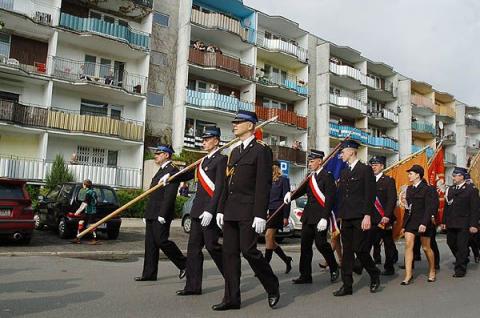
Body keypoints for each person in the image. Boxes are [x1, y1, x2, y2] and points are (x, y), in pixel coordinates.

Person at [212, 110, 280, 311]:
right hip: (231, 209)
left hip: (249, 210)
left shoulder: (261, 150)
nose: (234, 125)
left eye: (238, 122)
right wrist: (221, 209)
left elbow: (263, 184)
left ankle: (272, 285)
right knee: (229, 254)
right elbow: (227, 183)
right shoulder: (234, 151)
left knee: (249, 251)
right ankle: (232, 298)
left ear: (250, 126)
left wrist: (261, 213)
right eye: (234, 122)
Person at [168, 127, 226, 295]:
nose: (204, 142)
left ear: (216, 140)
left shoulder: (222, 159)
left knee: (212, 246)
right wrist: (171, 178)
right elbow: (186, 175)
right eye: (203, 140)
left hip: (208, 212)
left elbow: (220, 187)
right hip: (196, 211)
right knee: (193, 250)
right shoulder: (202, 162)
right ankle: (192, 286)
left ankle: (231, 276)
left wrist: (211, 210)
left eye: (207, 139)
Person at [333, 140, 381, 296]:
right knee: (347, 252)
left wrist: (367, 215)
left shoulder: (365, 170)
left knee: (360, 250)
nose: (341, 155)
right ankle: (347, 286)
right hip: (346, 216)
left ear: (351, 151)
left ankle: (374, 274)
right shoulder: (344, 172)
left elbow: (370, 194)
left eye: (343, 152)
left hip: (360, 216)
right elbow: (342, 195)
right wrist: (340, 215)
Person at [285, 150, 339, 284]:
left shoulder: (328, 176)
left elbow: (330, 199)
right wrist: (290, 195)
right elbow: (300, 191)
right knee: (305, 246)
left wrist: (324, 218)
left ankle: (333, 268)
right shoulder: (310, 177)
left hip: (320, 217)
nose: (309, 164)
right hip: (308, 216)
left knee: (321, 244)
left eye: (311, 161)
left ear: (320, 161)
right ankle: (305, 275)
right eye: (309, 162)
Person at [134, 145, 187, 282]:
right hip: (152, 212)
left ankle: (185, 264)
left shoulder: (172, 170)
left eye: (159, 153)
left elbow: (169, 196)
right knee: (150, 244)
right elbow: (153, 195)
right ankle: (149, 274)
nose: (155, 156)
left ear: (167, 155)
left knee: (161, 241)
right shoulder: (161, 170)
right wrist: (147, 214)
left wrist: (163, 213)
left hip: (161, 214)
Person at [400, 164, 436, 285]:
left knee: (426, 248)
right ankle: (408, 275)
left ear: (418, 175)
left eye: (411, 173)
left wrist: (424, 223)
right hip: (411, 222)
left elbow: (429, 208)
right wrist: (404, 226)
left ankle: (432, 270)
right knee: (408, 245)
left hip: (423, 222)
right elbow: (407, 209)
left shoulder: (428, 189)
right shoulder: (409, 189)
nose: (409, 176)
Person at [441, 166, 479, 277]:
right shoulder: (451, 189)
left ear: (462, 176)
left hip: (464, 222)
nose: (453, 177)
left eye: (455, 175)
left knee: (462, 245)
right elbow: (447, 207)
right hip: (452, 222)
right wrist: (444, 221)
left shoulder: (471, 189)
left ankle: (460, 269)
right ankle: (462, 257)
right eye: (453, 175)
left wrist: (474, 224)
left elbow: (475, 208)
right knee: (451, 242)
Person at [369, 156, 398, 276]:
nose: (373, 167)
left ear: (382, 166)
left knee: (388, 243)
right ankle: (363, 263)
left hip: (384, 217)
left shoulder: (388, 180)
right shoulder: (369, 180)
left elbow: (391, 200)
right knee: (368, 240)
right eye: (372, 165)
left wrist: (387, 215)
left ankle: (389, 267)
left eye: (376, 165)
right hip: (371, 217)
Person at [265, 160, 292, 273]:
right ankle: (286, 259)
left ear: (276, 168)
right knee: (270, 240)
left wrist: (286, 216)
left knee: (268, 236)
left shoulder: (284, 180)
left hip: (278, 210)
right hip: (269, 211)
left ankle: (265, 267)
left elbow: (287, 199)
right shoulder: (267, 181)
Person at [73, 179, 98, 245]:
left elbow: (85, 203)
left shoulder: (88, 193)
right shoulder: (93, 192)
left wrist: (77, 212)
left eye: (83, 184)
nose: (82, 185)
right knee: (81, 222)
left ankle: (94, 239)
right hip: (89, 211)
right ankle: (78, 238)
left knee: (91, 226)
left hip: (91, 212)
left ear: (85, 185)